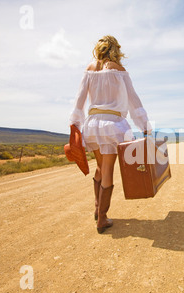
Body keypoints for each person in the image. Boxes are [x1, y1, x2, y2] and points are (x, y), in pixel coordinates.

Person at [69, 35, 151, 234]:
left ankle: (98, 209)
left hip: (93, 124)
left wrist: (74, 124)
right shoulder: (120, 70)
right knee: (107, 170)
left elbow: (79, 100)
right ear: (115, 50)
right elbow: (134, 100)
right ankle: (102, 218)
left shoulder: (89, 69)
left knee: (100, 166)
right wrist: (145, 125)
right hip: (114, 125)